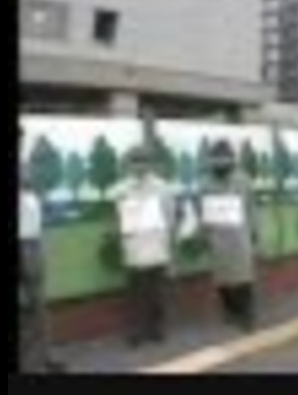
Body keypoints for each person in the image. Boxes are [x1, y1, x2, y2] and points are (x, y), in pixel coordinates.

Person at [106, 145, 179, 347]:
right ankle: (135, 332)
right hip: (134, 249)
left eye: (143, 161)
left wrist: (172, 248)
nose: (139, 166)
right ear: (129, 165)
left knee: (157, 292)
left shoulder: (163, 188)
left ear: (150, 164)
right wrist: (116, 230)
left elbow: (171, 220)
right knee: (135, 293)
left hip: (157, 246)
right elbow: (113, 211)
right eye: (135, 161)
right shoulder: (121, 189)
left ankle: (156, 329)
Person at [194, 140, 260, 333]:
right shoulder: (205, 183)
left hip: (239, 237)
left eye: (224, 159)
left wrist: (255, 232)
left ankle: (246, 316)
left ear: (232, 160)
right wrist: (202, 234)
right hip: (217, 237)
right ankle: (230, 311)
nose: (221, 163)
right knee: (222, 279)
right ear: (211, 161)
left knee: (243, 278)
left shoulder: (243, 180)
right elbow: (201, 211)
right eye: (217, 159)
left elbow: (252, 208)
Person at [18, 126, 66, 373]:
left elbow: (40, 200)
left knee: (39, 304)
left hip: (32, 243)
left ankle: (47, 357)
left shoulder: (28, 167)